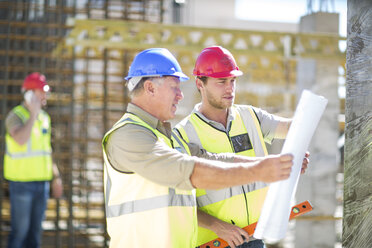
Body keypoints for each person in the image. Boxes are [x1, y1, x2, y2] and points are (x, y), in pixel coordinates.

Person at [102, 48, 296, 248]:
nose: (180, 96)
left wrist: (270, 166)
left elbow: (214, 160)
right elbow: (190, 171)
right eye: (174, 87)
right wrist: (261, 170)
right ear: (150, 88)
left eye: (232, 81)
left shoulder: (163, 137)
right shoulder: (129, 136)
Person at [174, 46, 309, 248]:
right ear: (199, 84)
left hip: (254, 237)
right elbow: (176, 202)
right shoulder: (182, 135)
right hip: (215, 241)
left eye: (233, 81)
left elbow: (292, 129)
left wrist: (292, 159)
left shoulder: (250, 116)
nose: (230, 88)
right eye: (221, 82)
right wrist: (218, 226)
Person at [4, 72, 63, 248]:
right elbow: (20, 139)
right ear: (29, 94)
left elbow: (46, 150)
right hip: (22, 184)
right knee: (20, 234)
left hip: (42, 184)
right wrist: (32, 114)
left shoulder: (45, 118)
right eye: (41, 92)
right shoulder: (15, 116)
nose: (45, 96)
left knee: (35, 236)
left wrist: (56, 177)